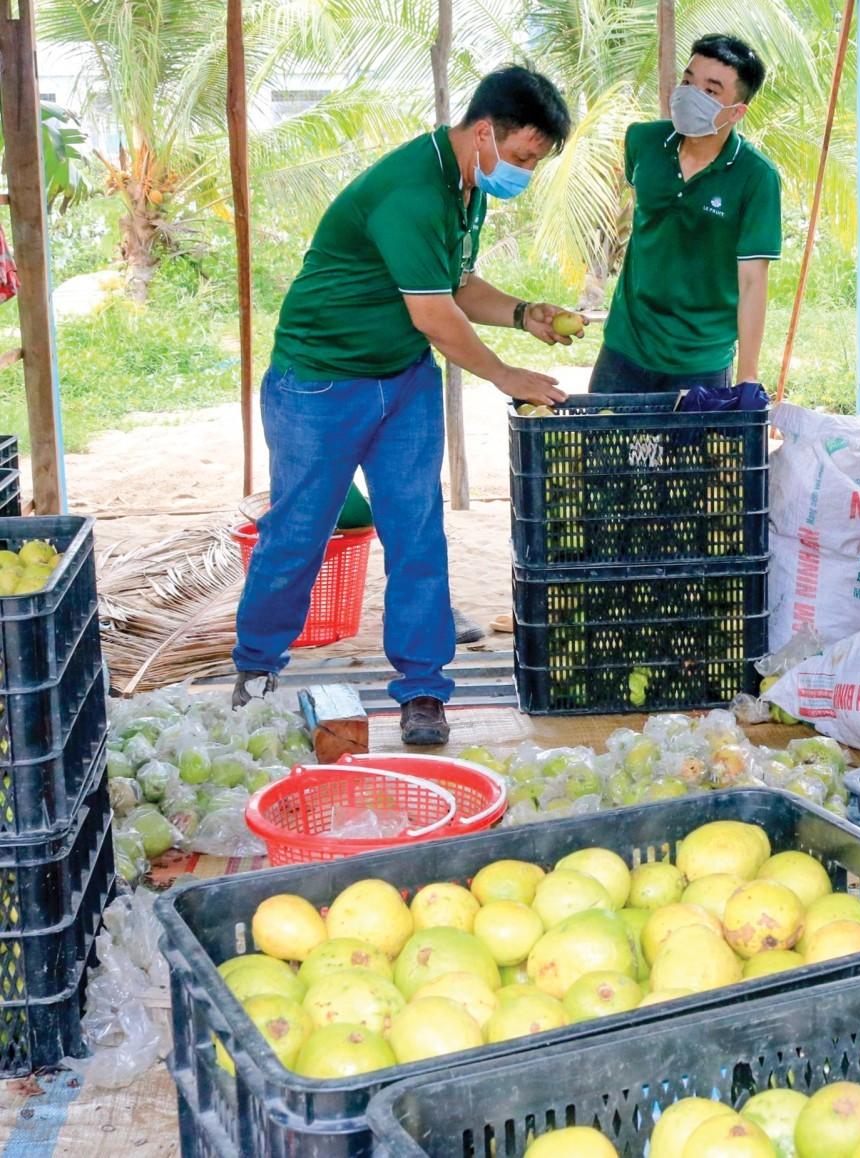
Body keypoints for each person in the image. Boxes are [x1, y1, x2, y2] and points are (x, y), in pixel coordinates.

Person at [231, 66, 575, 746]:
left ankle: (422, 689)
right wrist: (506, 374)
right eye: (525, 157)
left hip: (403, 380)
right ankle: (257, 668)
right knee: (299, 535)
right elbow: (435, 316)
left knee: (417, 533)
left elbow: (456, 282)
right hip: (320, 384)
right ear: (485, 132)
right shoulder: (412, 190)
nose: (526, 173)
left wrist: (522, 312)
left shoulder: (465, 184)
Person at [590, 34, 781, 397]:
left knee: (688, 456)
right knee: (605, 453)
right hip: (624, 347)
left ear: (737, 111)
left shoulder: (756, 177)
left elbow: (753, 282)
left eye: (710, 91)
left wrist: (748, 375)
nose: (691, 94)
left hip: (701, 361)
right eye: (688, 80)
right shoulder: (642, 141)